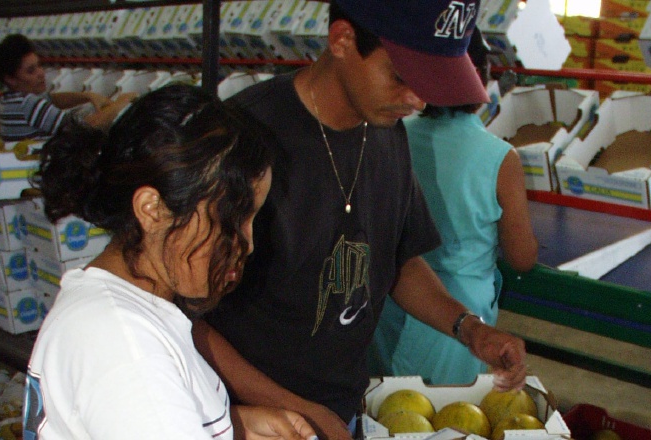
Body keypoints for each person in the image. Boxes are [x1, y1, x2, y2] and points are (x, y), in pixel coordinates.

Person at [192, 1, 528, 439]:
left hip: (339, 410)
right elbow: (188, 320)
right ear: (343, 40)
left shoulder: (388, 134)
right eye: (401, 77)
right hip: (247, 418)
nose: (417, 99)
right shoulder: (243, 139)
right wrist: (299, 411)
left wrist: (469, 329)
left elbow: (398, 261)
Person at [22, 84, 316, 440]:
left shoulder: (113, 316)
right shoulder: (127, 350)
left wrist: (234, 427)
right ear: (152, 210)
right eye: (235, 218)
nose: (248, 243)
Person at [369, 29, 539, 385]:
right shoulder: (499, 158)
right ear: (483, 82)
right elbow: (522, 257)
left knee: (387, 409)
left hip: (389, 301)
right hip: (459, 317)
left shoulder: (392, 134)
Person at [0, 34, 136, 141]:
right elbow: (86, 128)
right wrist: (120, 103)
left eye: (39, 65)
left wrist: (88, 96)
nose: (40, 73)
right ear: (10, 79)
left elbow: (51, 99)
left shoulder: (7, 101)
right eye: (31, 70)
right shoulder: (28, 104)